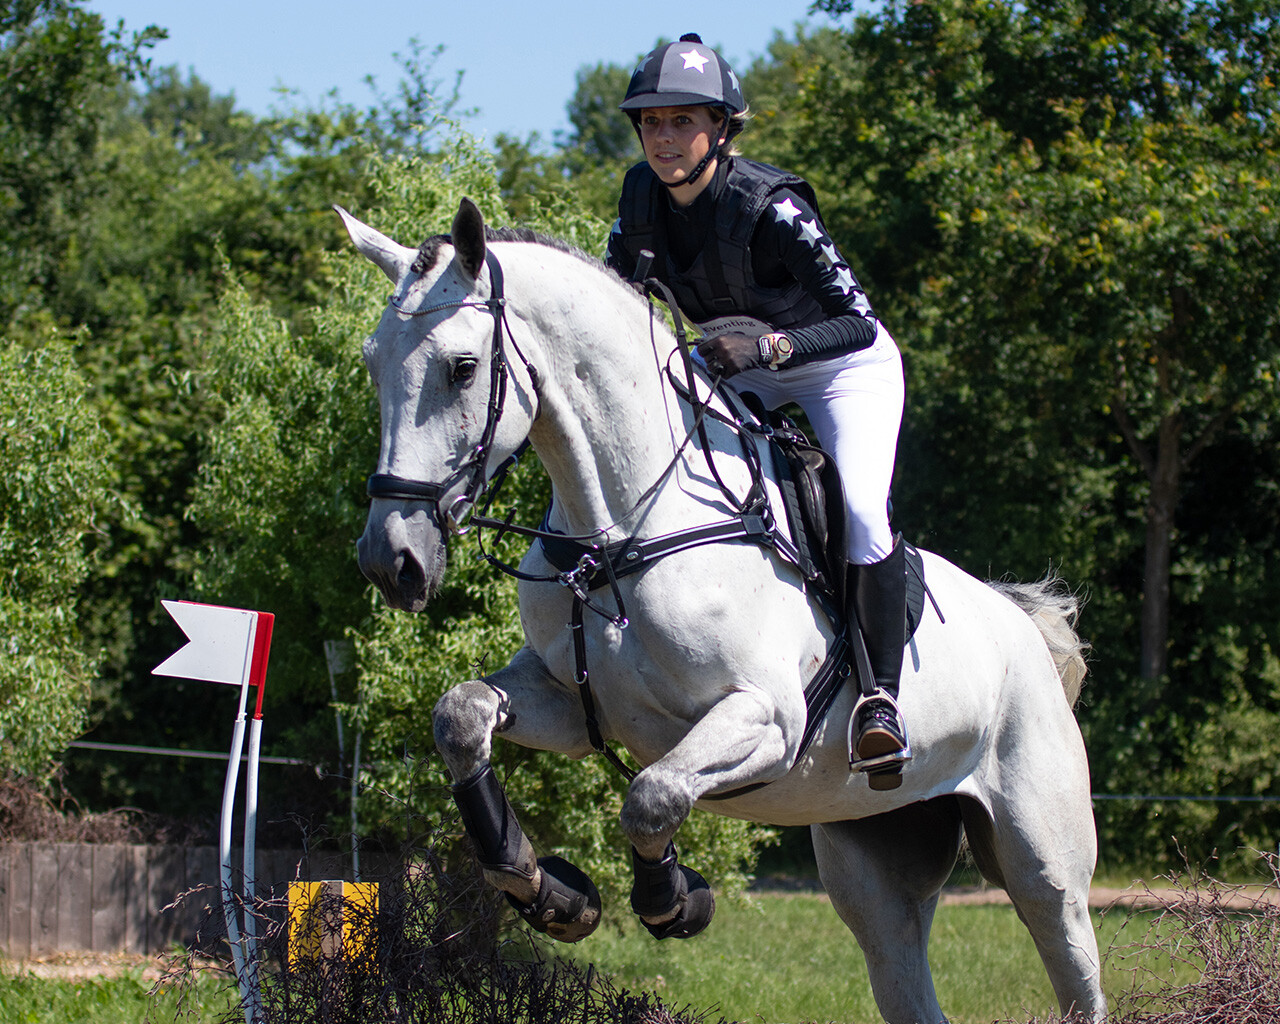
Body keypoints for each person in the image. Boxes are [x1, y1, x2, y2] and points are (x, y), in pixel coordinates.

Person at [605, 33, 910, 774]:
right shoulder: (638, 201)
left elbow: (858, 321)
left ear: (721, 128)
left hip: (839, 367)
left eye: (682, 121)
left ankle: (881, 700)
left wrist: (770, 348)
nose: (664, 138)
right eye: (652, 122)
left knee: (861, 509)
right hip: (734, 363)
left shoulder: (773, 209)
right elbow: (616, 309)